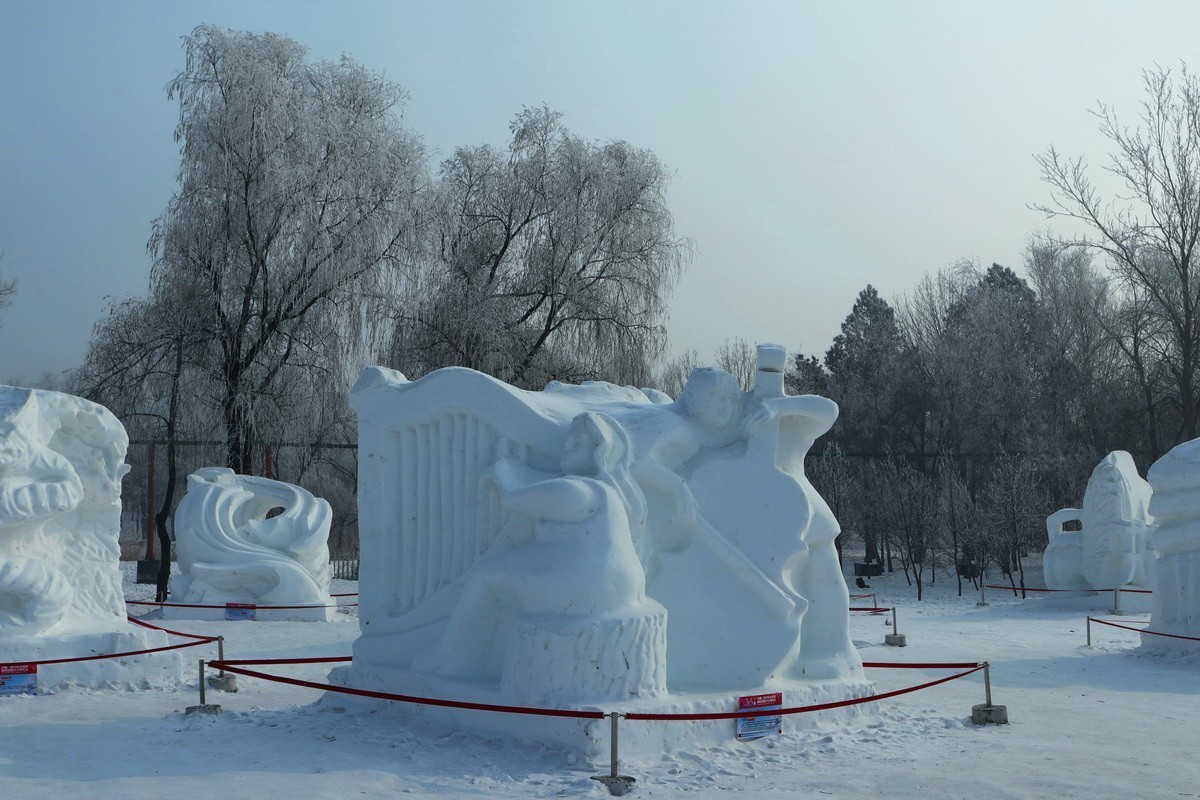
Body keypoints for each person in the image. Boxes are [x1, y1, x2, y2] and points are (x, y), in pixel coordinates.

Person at [426, 412, 650, 680]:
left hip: (586, 584)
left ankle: (452, 658)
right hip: (618, 586)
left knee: (483, 577)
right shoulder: (609, 490)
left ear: (598, 451)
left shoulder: (579, 492)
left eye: (576, 442)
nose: (565, 448)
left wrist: (502, 469)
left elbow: (513, 498)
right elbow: (544, 484)